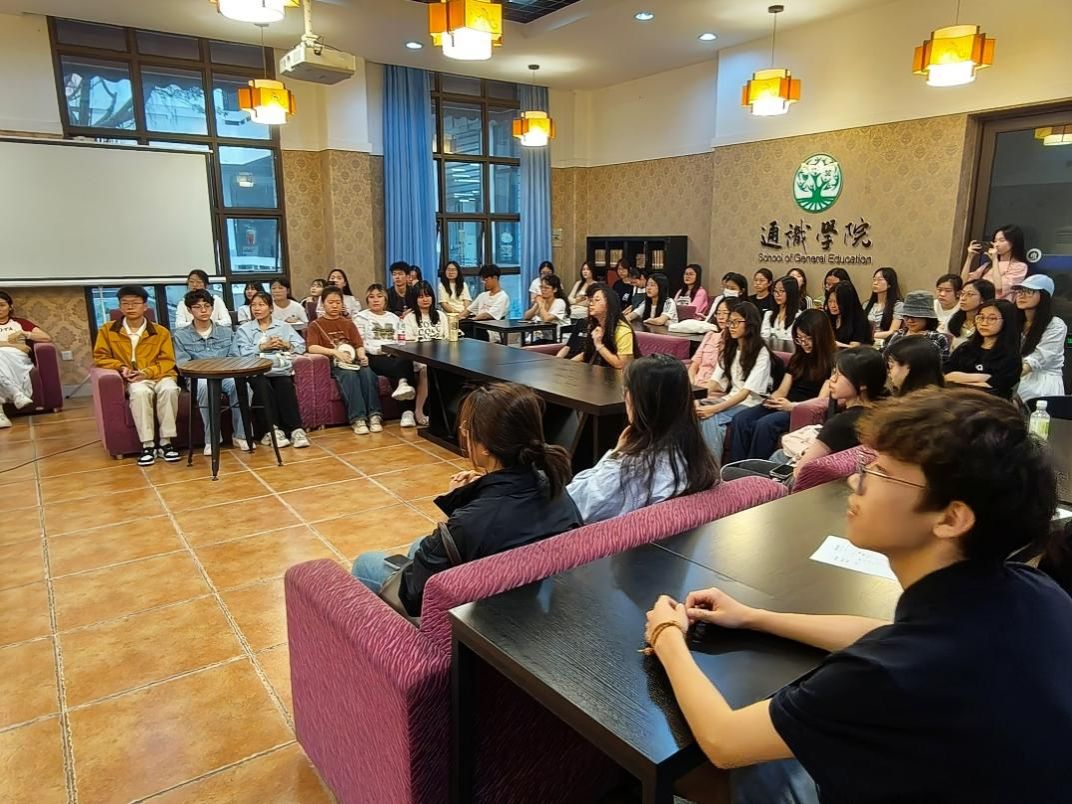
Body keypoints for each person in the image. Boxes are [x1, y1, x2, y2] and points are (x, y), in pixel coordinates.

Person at [644, 388, 1072, 804]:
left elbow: (724, 740)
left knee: (698, 767)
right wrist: (753, 616)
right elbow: (885, 634)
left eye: (879, 472)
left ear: (951, 518)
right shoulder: (1031, 589)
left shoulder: (891, 674)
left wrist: (667, 635)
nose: (854, 480)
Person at [351, 382, 581, 618]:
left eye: (465, 430)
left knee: (365, 563)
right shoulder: (554, 485)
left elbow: (412, 595)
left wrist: (452, 517)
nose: (463, 435)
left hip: (475, 621)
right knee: (417, 546)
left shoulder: (470, 521)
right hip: (532, 603)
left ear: (485, 448)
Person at [568, 355, 719, 524]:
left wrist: (615, 454)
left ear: (634, 398)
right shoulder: (698, 458)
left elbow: (570, 504)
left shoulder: (628, 470)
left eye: (626, 389)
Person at [730, 310, 836, 462]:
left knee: (765, 424)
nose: (803, 343)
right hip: (784, 403)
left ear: (821, 336)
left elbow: (820, 400)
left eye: (808, 338)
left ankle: (754, 469)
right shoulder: (798, 358)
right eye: (799, 339)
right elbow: (782, 390)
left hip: (802, 409)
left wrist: (792, 406)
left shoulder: (832, 362)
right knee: (741, 419)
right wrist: (772, 399)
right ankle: (735, 466)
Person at [93, 285, 181, 466]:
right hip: (133, 378)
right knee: (141, 393)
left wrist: (147, 372)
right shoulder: (107, 330)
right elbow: (100, 357)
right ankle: (148, 445)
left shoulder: (160, 332)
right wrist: (121, 368)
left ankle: (166, 443)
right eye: (125, 303)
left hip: (160, 375)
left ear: (145, 306)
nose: (130, 307)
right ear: (120, 307)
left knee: (170, 390)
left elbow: (168, 361)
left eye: (135, 303)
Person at [172, 289, 249, 454]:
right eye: (197, 307)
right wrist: (206, 371)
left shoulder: (226, 332)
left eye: (207, 306)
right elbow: (183, 365)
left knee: (242, 385)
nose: (203, 310)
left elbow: (234, 357)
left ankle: (241, 436)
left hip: (226, 374)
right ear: (189, 310)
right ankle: (212, 439)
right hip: (198, 378)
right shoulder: (181, 336)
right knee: (205, 387)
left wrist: (222, 371)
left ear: (212, 308)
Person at [233, 291, 310, 448]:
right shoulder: (244, 329)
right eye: (253, 305)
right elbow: (240, 353)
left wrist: (287, 344)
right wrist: (262, 346)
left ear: (270, 308)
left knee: (285, 385)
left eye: (261, 305)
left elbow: (301, 346)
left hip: (278, 369)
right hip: (256, 371)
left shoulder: (283, 327)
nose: (256, 308)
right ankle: (271, 431)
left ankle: (295, 430)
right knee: (263, 386)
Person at [697, 301, 772, 459]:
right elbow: (713, 382)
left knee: (710, 419)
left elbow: (745, 394)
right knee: (689, 412)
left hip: (750, 404)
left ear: (750, 324)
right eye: (730, 322)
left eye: (737, 322)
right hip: (730, 398)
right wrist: (696, 399)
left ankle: (712, 470)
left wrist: (713, 409)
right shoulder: (730, 349)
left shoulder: (761, 353)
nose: (732, 326)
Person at [304, 286, 383, 436]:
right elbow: (312, 347)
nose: (334, 306)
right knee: (349, 375)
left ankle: (374, 415)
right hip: (336, 363)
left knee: (367, 373)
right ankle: (358, 419)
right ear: (323, 304)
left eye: (338, 302)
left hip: (353, 360)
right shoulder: (315, 325)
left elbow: (358, 344)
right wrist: (334, 352)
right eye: (330, 302)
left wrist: (362, 356)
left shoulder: (348, 323)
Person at [355, 284, 418, 427]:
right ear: (367, 300)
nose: (375, 300)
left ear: (385, 299)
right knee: (402, 367)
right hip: (373, 356)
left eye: (379, 296)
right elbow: (359, 342)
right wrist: (380, 350)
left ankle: (407, 413)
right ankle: (406, 408)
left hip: (394, 354)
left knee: (406, 359)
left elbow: (400, 338)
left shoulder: (393, 318)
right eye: (372, 297)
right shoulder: (360, 317)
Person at [944, 298, 1021, 399]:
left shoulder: (1011, 356)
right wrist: (981, 377)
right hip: (955, 400)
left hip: (991, 404)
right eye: (981, 317)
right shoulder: (965, 348)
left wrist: (958, 377)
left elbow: (994, 386)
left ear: (1007, 321)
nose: (984, 323)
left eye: (992, 319)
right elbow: (946, 375)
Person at [0, 291, 52, 428]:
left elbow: (46, 337)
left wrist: (25, 333)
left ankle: (1, 414)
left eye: (2, 305)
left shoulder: (20, 323)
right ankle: (16, 393)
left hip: (17, 358)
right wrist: (13, 344)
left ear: (10, 306)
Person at [1014, 274, 1067, 401]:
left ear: (1044, 296)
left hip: (1042, 385)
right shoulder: (1013, 320)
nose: (1021, 295)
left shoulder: (1055, 325)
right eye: (1020, 290)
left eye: (1029, 291)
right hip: (1017, 378)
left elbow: (1038, 359)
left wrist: (1005, 377)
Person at [404, 281, 449, 426]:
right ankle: (419, 411)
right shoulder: (410, 318)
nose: (425, 299)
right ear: (415, 299)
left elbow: (447, 338)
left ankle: (447, 414)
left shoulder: (441, 316)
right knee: (426, 369)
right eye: (421, 296)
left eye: (428, 295)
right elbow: (409, 342)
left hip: (440, 355)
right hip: (419, 357)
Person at [573, 284, 635, 370]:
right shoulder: (595, 325)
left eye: (597, 300)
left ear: (609, 304)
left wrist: (599, 345)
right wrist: (567, 364)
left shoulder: (622, 330)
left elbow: (620, 365)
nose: (591, 304)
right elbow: (587, 354)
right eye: (591, 300)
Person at [962, 224, 1028, 301]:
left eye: (1001, 240)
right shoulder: (987, 265)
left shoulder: (1019, 266)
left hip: (997, 305)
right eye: (995, 241)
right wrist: (969, 258)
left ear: (1013, 242)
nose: (996, 244)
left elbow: (999, 289)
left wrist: (995, 260)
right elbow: (964, 283)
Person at [880, 291, 950, 364]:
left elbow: (938, 366)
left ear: (927, 317)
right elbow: (884, 357)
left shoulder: (936, 338)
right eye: (906, 316)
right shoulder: (898, 334)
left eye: (915, 316)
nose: (910, 320)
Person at [689, 297, 738, 389]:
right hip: (696, 385)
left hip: (715, 389)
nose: (721, 317)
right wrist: (692, 384)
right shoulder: (710, 336)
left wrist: (701, 390)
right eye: (718, 313)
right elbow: (693, 367)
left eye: (725, 313)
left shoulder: (737, 344)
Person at [461, 264, 511, 342]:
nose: (484, 282)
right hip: (478, 327)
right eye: (483, 280)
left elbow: (487, 315)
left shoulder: (503, 297)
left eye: (486, 280)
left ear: (495, 278)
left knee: (468, 329)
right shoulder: (482, 295)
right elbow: (468, 311)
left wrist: (472, 320)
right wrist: (458, 318)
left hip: (491, 331)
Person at [946, 278, 995, 349]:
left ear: (983, 299)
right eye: (962, 294)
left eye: (970, 294)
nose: (963, 298)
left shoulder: (987, 324)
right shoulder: (955, 320)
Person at [824, 282, 873, 348]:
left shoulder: (859, 319)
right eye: (830, 301)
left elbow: (854, 348)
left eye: (837, 302)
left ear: (847, 302)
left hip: (850, 353)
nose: (832, 306)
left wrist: (835, 344)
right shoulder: (829, 316)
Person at [523, 273, 569, 342]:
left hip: (560, 339)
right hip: (546, 338)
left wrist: (540, 304)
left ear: (555, 289)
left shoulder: (560, 302)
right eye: (541, 287)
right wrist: (537, 304)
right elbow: (526, 317)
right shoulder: (542, 300)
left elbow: (547, 319)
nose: (543, 290)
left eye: (546, 288)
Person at [864, 267, 904, 342]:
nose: (875, 283)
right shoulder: (866, 304)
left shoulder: (898, 306)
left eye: (880, 280)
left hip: (884, 343)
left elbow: (892, 332)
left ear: (889, 284)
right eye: (874, 280)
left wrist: (868, 335)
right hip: (865, 342)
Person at [761, 275, 801, 343]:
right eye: (775, 291)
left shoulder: (799, 317)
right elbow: (763, 338)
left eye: (782, 291)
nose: (777, 294)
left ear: (791, 293)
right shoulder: (768, 314)